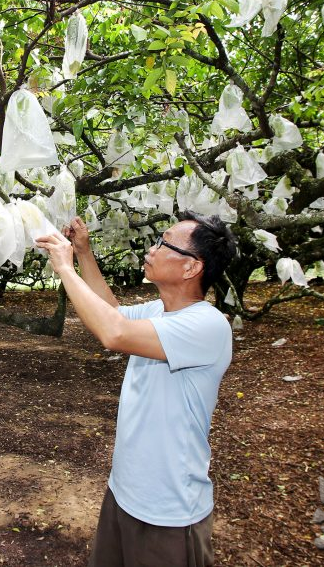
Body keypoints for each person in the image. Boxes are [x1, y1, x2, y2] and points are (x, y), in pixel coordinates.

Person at [35, 211, 240, 567]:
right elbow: (111, 311)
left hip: (169, 510)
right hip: (125, 490)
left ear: (192, 267)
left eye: (164, 243)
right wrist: (83, 252)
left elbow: (114, 333)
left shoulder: (207, 325)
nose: (152, 248)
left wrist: (65, 269)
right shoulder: (161, 311)